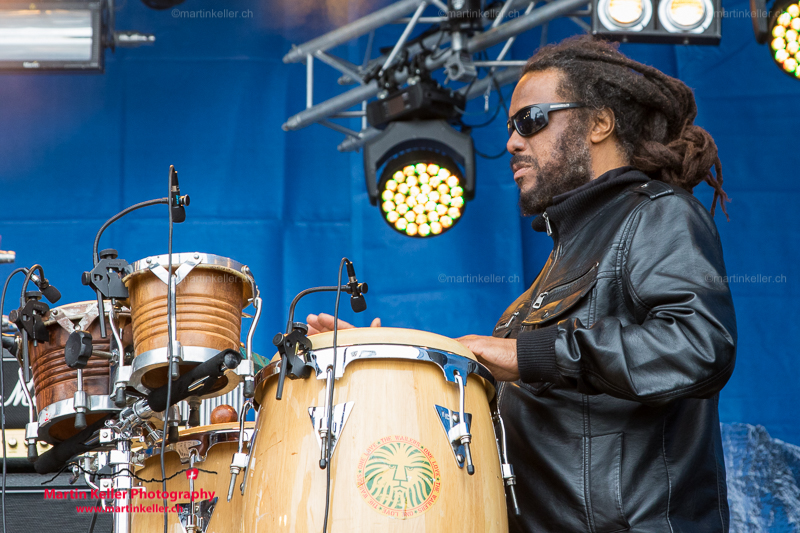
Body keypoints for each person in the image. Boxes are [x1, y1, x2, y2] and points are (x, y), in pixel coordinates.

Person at [309, 36, 736, 533]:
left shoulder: (656, 214)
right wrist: (386, 365)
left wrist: (528, 354)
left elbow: (698, 346)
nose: (512, 142)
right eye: (510, 126)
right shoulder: (544, 281)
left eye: (531, 120)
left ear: (599, 123)